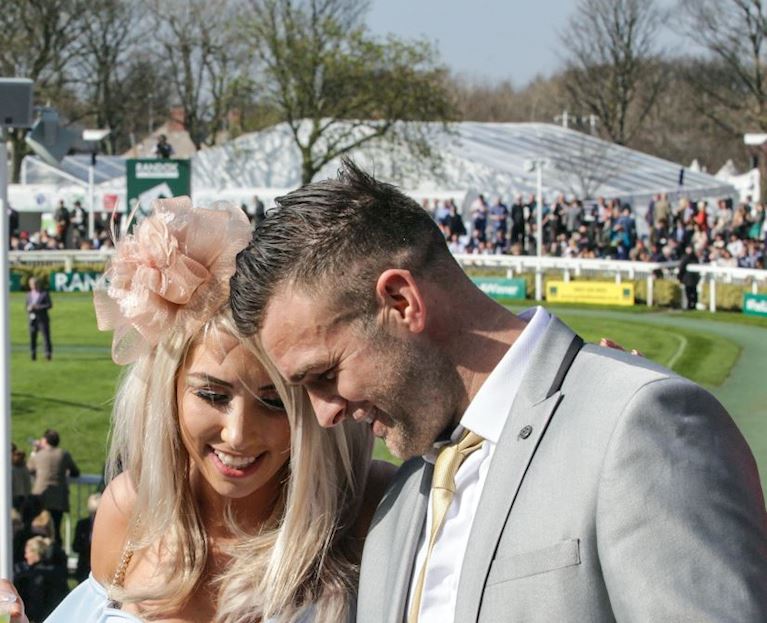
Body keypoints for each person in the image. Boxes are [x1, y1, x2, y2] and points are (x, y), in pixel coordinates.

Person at [230, 159, 767, 623]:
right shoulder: (399, 497)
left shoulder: (638, 424)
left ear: (400, 301)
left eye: (324, 375)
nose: (324, 414)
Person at [2, 196, 389, 623]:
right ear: (168, 391)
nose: (238, 433)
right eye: (212, 395)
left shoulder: (371, 511)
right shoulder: (129, 509)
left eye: (274, 402)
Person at [27, 430, 79, 546]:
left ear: (45, 441)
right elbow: (75, 472)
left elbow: (28, 469)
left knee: (39, 527)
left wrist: (34, 452)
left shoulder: (39, 455)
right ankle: (56, 553)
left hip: (40, 496)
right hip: (58, 498)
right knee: (55, 528)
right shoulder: (63, 454)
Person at [72, 494, 101, 584]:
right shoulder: (82, 524)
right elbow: (75, 546)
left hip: (100, 567)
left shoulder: (107, 526)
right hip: (84, 565)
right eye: (93, 512)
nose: (95, 515)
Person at [25, 278, 53, 361]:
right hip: (32, 319)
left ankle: (48, 354)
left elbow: (49, 305)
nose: (33, 286)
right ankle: (33, 354)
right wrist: (28, 308)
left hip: (42, 319)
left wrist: (37, 307)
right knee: (32, 337)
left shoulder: (44, 294)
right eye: (31, 284)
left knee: (45, 337)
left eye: (34, 284)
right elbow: (26, 306)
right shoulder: (28, 294)